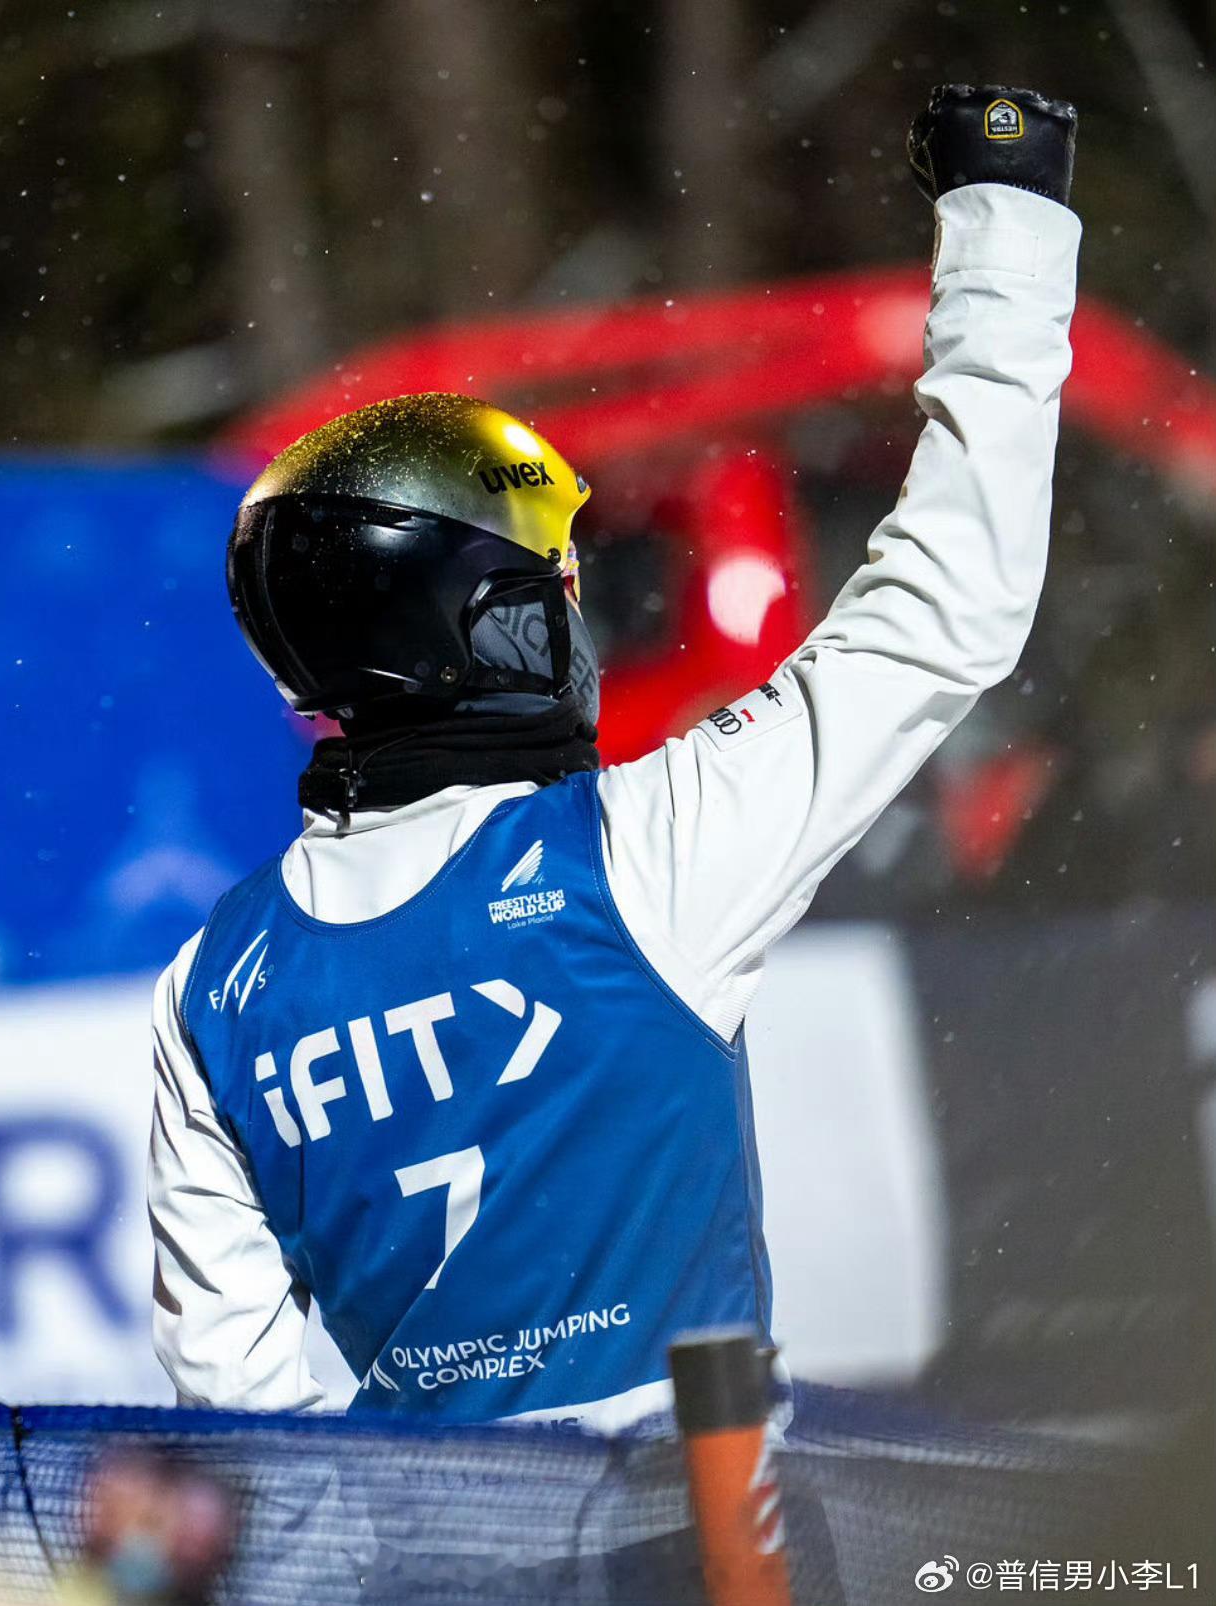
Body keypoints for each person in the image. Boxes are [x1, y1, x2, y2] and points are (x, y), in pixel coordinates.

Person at [149, 85, 1080, 1431]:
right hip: (700, 1519)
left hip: (426, 1539)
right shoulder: (646, 850)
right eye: (551, 590)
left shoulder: (213, 989)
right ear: (489, 629)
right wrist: (1007, 217)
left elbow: (239, 1423)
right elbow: (947, 606)